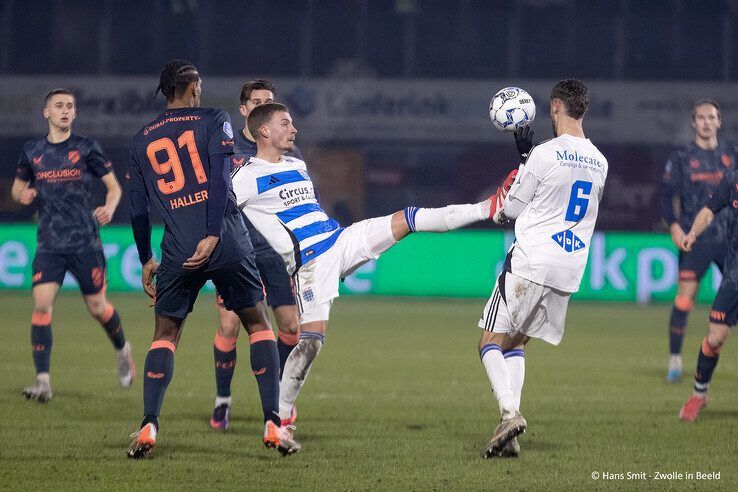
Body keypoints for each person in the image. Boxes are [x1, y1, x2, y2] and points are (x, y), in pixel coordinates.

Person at [231, 102, 498, 446]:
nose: (294, 129)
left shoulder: (297, 163)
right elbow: (219, 212)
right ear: (264, 131)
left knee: (408, 218)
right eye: (286, 123)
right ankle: (278, 421)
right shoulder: (245, 177)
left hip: (339, 239)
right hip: (310, 262)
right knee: (310, 342)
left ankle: (487, 207)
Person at [125, 60, 299, 458]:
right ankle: (273, 420)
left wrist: (146, 259)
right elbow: (220, 179)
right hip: (226, 241)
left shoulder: (140, 140)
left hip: (177, 249)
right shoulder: (213, 119)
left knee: (165, 335)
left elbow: (137, 208)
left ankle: (149, 425)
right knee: (258, 323)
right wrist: (214, 233)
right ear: (194, 87)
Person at [477, 79, 608, 458]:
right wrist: (525, 161)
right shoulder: (599, 161)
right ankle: (510, 433)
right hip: (569, 268)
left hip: (532, 261)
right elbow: (564, 194)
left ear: (554, 108)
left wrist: (520, 170)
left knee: (488, 342)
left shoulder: (545, 153)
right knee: (516, 343)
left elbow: (512, 209)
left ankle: (508, 414)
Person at [11, 88, 133, 403]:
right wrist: (21, 195)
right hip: (49, 241)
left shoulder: (87, 148)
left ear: (74, 114)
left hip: (84, 242)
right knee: (41, 305)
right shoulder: (32, 150)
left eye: (70, 106)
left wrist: (109, 206)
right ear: (46, 112)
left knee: (97, 308)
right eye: (59, 106)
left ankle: (122, 350)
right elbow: (17, 187)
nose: (65, 110)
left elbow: (114, 187)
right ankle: (43, 382)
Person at [210, 80, 302, 430]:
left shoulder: (288, 153)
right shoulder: (225, 149)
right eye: (258, 102)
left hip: (276, 254)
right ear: (245, 110)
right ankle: (223, 399)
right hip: (237, 252)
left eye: (271, 102)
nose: (266, 106)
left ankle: (278, 396)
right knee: (230, 326)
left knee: (292, 328)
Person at [661, 100, 735, 382]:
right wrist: (675, 227)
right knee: (684, 299)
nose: (706, 122)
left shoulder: (732, 155)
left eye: (711, 117)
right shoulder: (682, 157)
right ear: (693, 123)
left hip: (729, 239)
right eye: (700, 118)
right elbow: (667, 197)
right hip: (695, 240)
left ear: (719, 122)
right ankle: (675, 361)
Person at [678, 169, 738, 422]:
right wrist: (693, 232)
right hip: (735, 274)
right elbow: (709, 209)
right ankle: (698, 396)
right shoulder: (733, 177)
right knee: (715, 338)